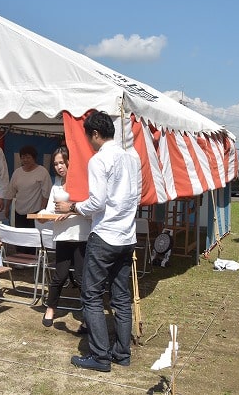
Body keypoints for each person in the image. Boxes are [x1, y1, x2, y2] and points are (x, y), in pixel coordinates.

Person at [56, 111, 140, 373]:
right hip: (127, 235)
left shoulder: (99, 159)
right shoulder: (132, 157)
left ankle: (100, 356)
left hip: (105, 235)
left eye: (88, 137)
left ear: (94, 134)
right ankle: (122, 353)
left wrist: (72, 206)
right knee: (121, 297)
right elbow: (134, 197)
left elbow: (97, 202)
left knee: (91, 296)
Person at [39, 146, 90, 330]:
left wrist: (70, 211)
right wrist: (42, 216)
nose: (59, 167)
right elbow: (51, 209)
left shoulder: (83, 183)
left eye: (62, 162)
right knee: (59, 276)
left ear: (70, 161)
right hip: (62, 236)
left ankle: (87, 316)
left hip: (81, 236)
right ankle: (51, 308)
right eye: (56, 164)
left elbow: (90, 210)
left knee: (82, 278)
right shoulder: (57, 184)